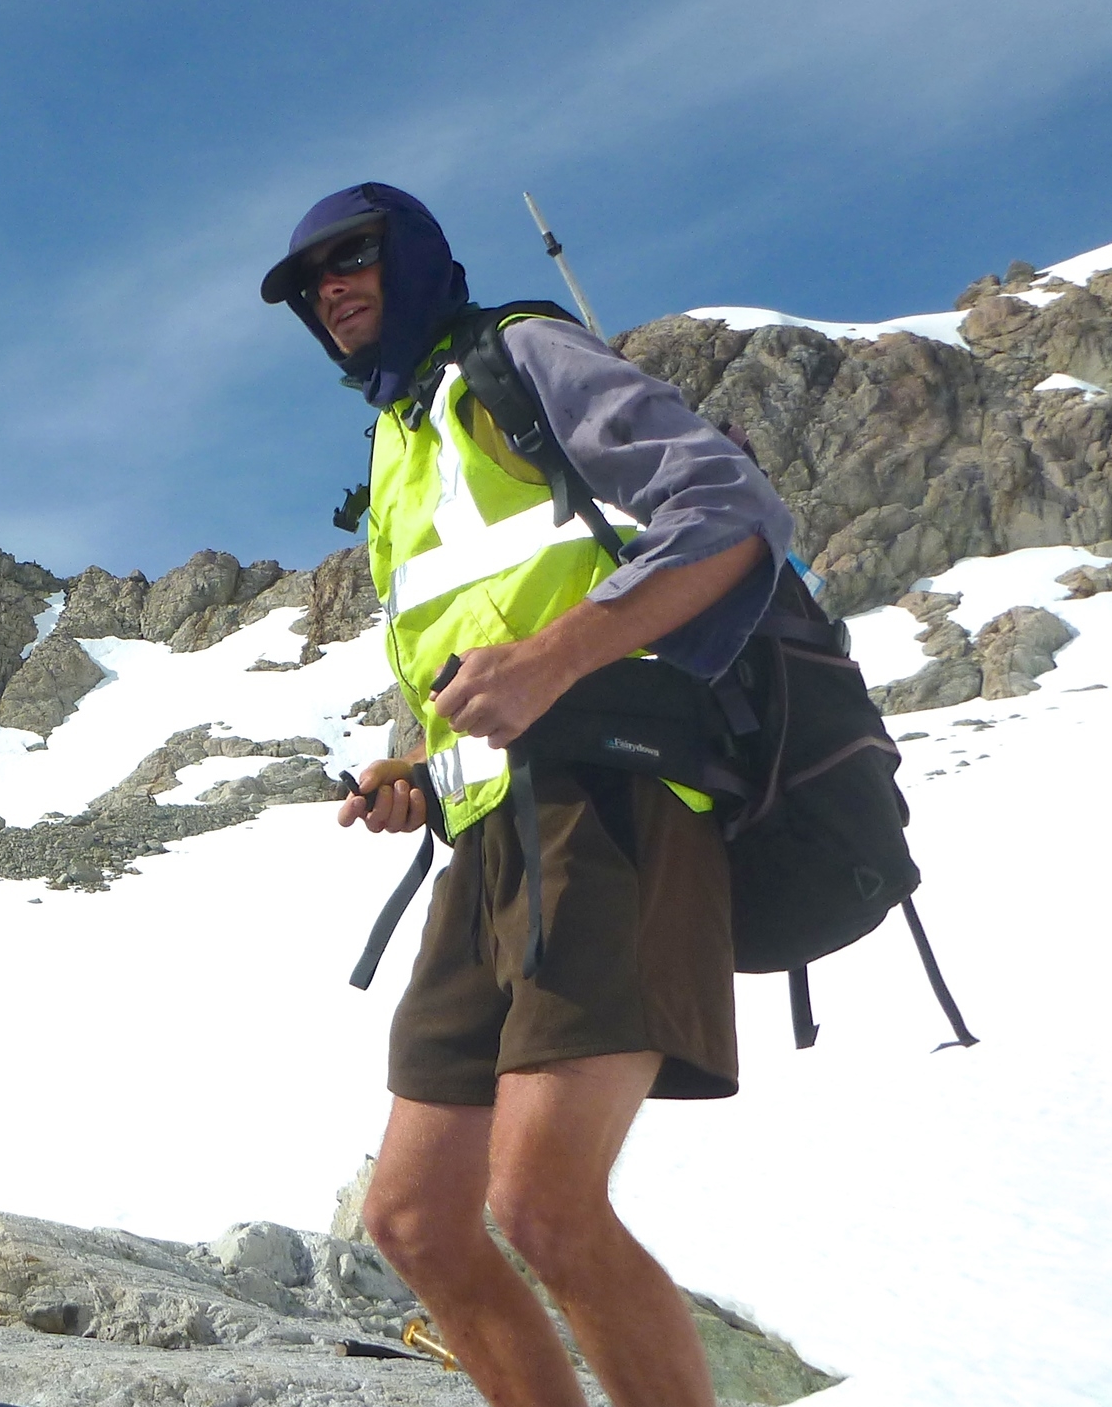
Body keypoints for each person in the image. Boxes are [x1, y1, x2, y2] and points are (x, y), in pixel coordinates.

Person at [262, 183, 794, 1407]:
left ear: (412, 254)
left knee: (541, 1204)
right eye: (307, 285)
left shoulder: (518, 353)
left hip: (616, 801)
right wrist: (417, 773)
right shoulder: (396, 445)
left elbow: (729, 511)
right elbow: (474, 673)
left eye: (351, 259)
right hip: (492, 837)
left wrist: (557, 658)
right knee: (412, 1220)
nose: (329, 290)